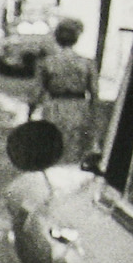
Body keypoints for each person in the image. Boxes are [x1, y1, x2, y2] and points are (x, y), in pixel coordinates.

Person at [36, 15, 96, 163]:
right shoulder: (87, 63)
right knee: (75, 148)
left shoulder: (47, 62)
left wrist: (30, 115)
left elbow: (38, 92)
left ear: (57, 37)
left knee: (54, 147)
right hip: (79, 107)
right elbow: (94, 93)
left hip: (54, 107)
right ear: (76, 38)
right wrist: (93, 116)